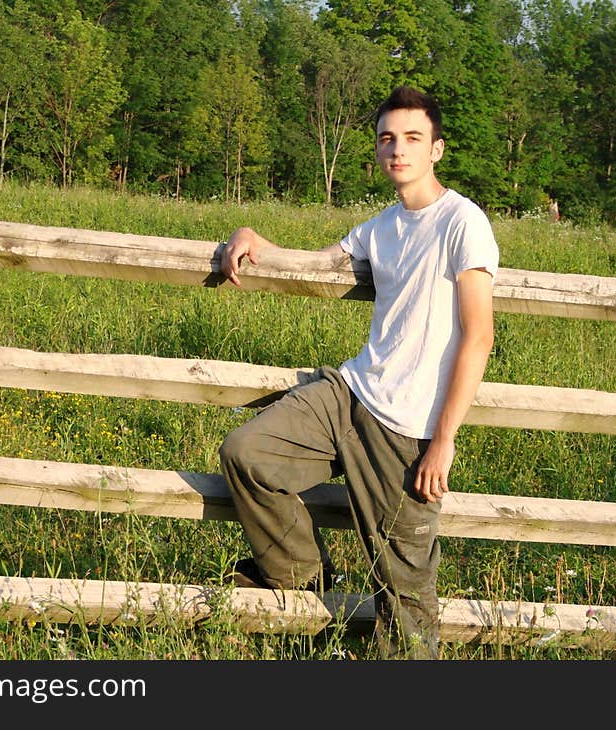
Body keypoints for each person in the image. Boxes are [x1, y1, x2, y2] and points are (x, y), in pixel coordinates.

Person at [217, 85, 499, 659]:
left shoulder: (462, 222)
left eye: (412, 138)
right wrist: (251, 240)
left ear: (437, 149)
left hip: (407, 429)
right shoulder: (381, 226)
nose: (398, 149)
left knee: (406, 599)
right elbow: (318, 263)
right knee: (247, 454)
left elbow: (479, 335)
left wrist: (443, 442)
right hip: (352, 393)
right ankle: (300, 578)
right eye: (387, 139)